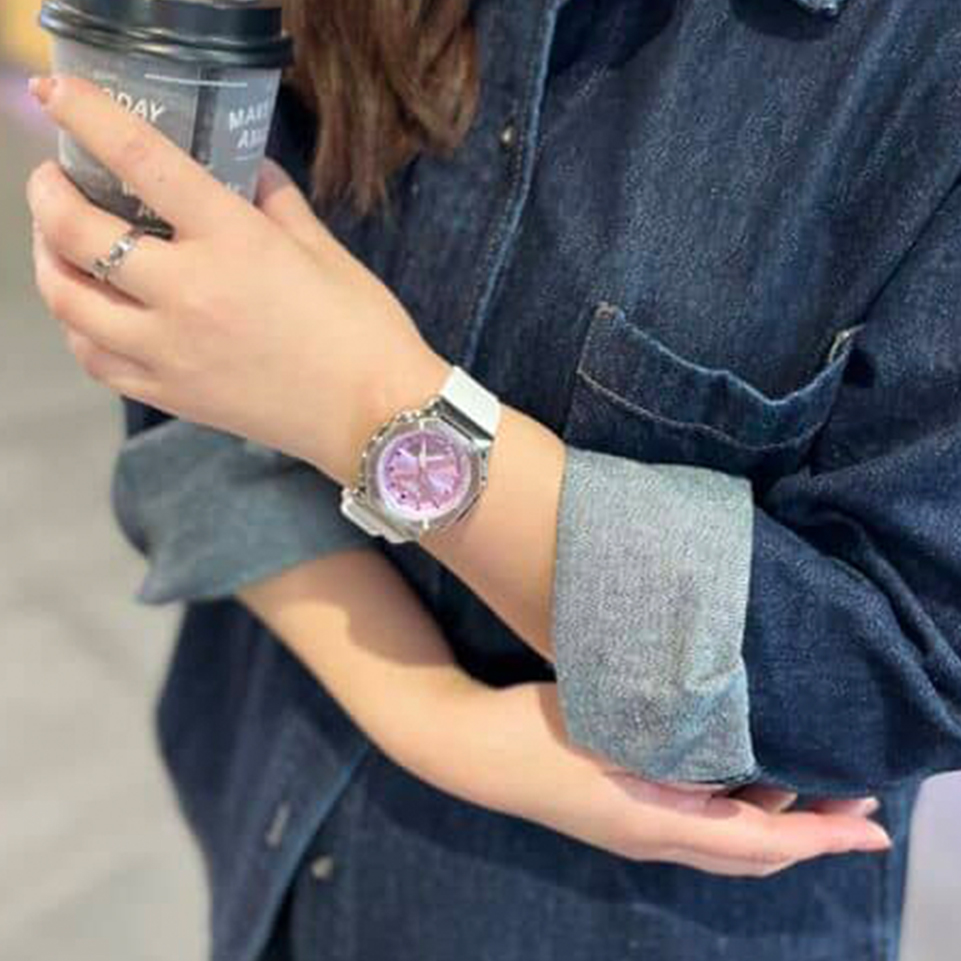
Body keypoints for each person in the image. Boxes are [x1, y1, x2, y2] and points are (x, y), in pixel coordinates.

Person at [24, 0, 961, 958]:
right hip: (275, 801)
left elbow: (904, 659)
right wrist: (434, 717)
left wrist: (368, 405)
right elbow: (185, 358)